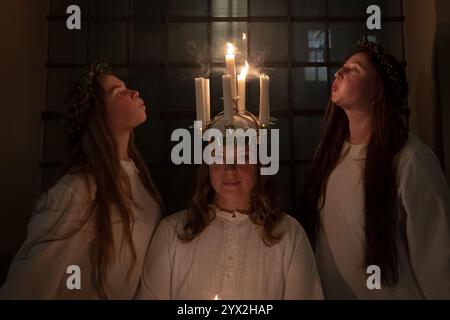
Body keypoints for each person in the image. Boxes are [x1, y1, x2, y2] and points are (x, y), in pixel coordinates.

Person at [299, 41, 450, 299]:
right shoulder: (329, 155)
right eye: (341, 68)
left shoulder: (410, 160)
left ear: (376, 89)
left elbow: (437, 258)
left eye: (353, 69)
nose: (339, 73)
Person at [0, 61, 164, 299]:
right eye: (118, 92)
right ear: (98, 115)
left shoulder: (138, 176)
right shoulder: (77, 191)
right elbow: (27, 287)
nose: (134, 92)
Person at [136, 118, 323, 300]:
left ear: (259, 165)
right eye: (219, 157)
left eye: (242, 158)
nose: (230, 170)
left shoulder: (290, 235)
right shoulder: (171, 232)